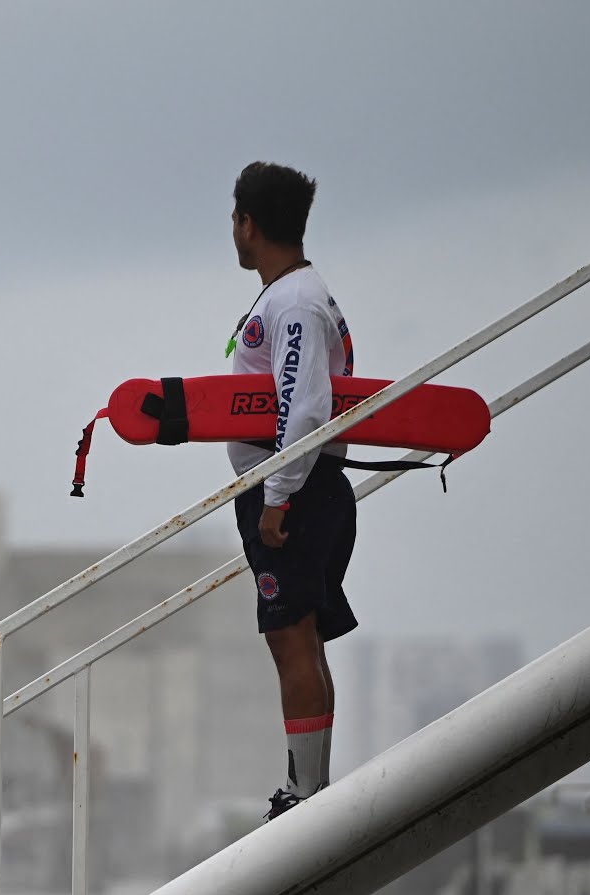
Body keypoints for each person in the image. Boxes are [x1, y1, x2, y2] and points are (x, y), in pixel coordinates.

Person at [224, 161, 357, 821]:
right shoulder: (290, 294)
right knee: (299, 636)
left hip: (296, 491)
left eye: (233, 217)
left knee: (290, 636)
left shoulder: (294, 301)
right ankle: (309, 786)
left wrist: (277, 496)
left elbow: (302, 404)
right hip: (301, 486)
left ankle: (305, 794)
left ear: (247, 223)